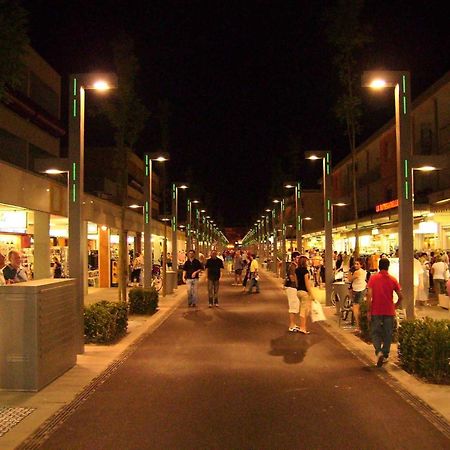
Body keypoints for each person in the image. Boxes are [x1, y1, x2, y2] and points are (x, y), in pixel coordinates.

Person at [366, 258, 403, 367]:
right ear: (388, 266)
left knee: (375, 332)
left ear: (378, 266)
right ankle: (385, 354)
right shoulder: (393, 279)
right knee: (388, 333)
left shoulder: (373, 279)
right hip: (389, 310)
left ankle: (379, 351)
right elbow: (401, 296)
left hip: (376, 310)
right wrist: (395, 306)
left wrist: (369, 310)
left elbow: (369, 295)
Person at [294, 255, 315, 334]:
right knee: (304, 311)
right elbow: (307, 284)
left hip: (298, 291)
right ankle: (302, 327)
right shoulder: (305, 271)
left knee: (302, 309)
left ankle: (303, 327)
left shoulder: (296, 270)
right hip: (304, 292)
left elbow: (296, 282)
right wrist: (311, 294)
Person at [348, 258, 367, 334]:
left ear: (361, 265)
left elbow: (349, 279)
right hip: (361, 289)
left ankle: (358, 326)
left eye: (357, 264)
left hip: (359, 290)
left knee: (356, 309)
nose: (355, 265)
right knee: (358, 308)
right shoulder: (363, 271)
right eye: (355, 264)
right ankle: (359, 326)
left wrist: (349, 272)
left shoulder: (357, 272)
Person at [285, 252, 302, 332]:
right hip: (292, 288)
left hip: (292, 288)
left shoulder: (294, 266)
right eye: (298, 257)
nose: (299, 259)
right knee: (293, 306)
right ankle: (291, 325)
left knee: (295, 306)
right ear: (294, 258)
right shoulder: (293, 266)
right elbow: (292, 278)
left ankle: (293, 324)